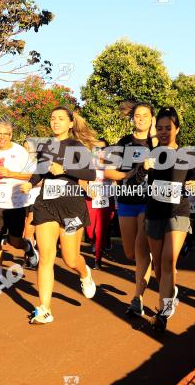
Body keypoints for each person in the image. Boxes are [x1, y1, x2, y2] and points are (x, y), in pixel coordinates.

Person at [25, 107, 100, 324]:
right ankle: (45, 309)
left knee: (69, 258)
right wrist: (29, 184)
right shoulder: (46, 146)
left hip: (71, 207)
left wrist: (65, 169)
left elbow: (90, 174)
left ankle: (84, 272)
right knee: (46, 258)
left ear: (70, 123)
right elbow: (40, 171)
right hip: (46, 205)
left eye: (60, 118)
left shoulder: (77, 147)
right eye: (52, 118)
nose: (55, 122)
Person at [138, 108, 195, 331]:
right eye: (160, 128)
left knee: (167, 261)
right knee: (158, 265)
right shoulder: (151, 154)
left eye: (168, 128)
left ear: (177, 129)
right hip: (154, 212)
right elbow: (136, 180)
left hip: (178, 212)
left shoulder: (187, 155)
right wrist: (143, 170)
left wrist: (193, 184)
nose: (163, 132)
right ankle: (170, 291)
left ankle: (162, 312)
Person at [104, 102, 156, 318]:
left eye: (145, 115)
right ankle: (152, 257)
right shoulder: (123, 143)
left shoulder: (158, 144)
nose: (141, 119)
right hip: (126, 200)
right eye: (137, 115)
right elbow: (109, 172)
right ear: (132, 118)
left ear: (152, 118)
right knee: (129, 253)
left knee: (141, 250)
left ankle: (138, 298)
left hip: (149, 200)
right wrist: (130, 175)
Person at [0, 122, 38, 288]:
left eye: (5, 134)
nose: (1, 137)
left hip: (15, 204)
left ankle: (28, 247)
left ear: (10, 135)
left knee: (15, 241)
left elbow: (33, 175)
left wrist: (11, 174)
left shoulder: (20, 152)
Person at [85, 141, 115, 270]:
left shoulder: (112, 165)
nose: (99, 151)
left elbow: (116, 181)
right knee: (90, 231)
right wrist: (87, 189)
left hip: (106, 200)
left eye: (103, 148)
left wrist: (114, 190)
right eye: (96, 148)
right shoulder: (88, 164)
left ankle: (98, 259)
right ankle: (94, 241)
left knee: (100, 231)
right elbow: (82, 180)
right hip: (91, 199)